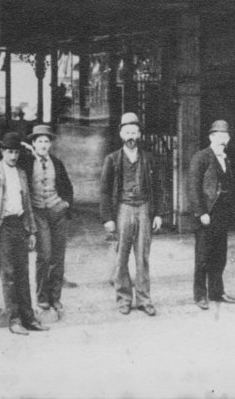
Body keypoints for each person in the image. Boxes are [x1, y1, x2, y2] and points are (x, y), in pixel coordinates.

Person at [0, 132, 48, 335]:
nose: (13, 156)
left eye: (16, 152)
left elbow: (27, 204)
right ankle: (14, 320)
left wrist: (31, 230)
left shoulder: (21, 173)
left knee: (23, 273)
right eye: (9, 152)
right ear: (3, 152)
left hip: (19, 225)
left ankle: (28, 318)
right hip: (3, 228)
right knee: (9, 275)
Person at [99, 112, 164, 316]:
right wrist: (108, 218)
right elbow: (104, 191)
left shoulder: (149, 159)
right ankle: (124, 299)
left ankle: (144, 300)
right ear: (120, 134)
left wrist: (159, 213)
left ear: (139, 135)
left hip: (144, 208)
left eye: (134, 132)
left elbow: (159, 188)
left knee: (143, 256)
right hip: (123, 208)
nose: (131, 136)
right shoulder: (112, 159)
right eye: (127, 132)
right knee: (122, 256)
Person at [20, 124, 74, 319]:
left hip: (56, 211)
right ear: (33, 143)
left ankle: (55, 297)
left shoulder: (57, 163)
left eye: (46, 141)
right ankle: (42, 297)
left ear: (50, 144)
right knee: (44, 255)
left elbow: (67, 186)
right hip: (38, 213)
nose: (43, 144)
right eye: (39, 141)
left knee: (58, 257)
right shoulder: (26, 163)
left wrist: (65, 203)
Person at [187, 119, 235, 310]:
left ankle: (217, 292)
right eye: (219, 136)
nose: (223, 140)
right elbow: (193, 187)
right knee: (203, 256)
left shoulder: (226, 158)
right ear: (211, 137)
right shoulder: (201, 157)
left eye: (226, 136)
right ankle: (200, 295)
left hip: (222, 214)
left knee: (219, 255)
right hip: (207, 214)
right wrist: (201, 212)